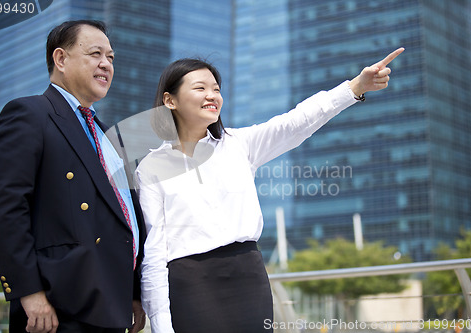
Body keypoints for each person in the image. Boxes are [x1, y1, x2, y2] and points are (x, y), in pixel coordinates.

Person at [136, 47, 404, 333]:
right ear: (170, 100)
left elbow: (296, 122)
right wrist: (160, 325)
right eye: (200, 88)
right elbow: (153, 253)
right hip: (190, 286)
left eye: (216, 88)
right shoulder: (152, 167)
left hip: (248, 278)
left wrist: (355, 87)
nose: (212, 96)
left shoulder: (238, 145)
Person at [0, 20, 146, 333]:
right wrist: (29, 292)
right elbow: (4, 207)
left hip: (110, 303)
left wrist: (133, 292)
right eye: (95, 53)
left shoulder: (108, 135)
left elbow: (123, 217)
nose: (106, 64)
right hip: (57, 308)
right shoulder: (30, 114)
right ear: (60, 59)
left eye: (111, 58)